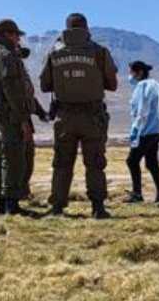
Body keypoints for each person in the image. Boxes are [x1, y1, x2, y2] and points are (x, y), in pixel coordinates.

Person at [40, 13, 119, 219]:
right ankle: (98, 207)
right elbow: (113, 84)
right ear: (86, 28)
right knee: (95, 162)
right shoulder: (99, 51)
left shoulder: (54, 53)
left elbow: (44, 84)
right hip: (92, 116)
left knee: (62, 163)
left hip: (64, 117)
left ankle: (57, 207)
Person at [0, 18, 35, 215]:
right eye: (16, 35)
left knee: (2, 157)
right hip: (10, 115)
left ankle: (2, 203)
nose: (18, 39)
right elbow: (12, 89)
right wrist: (22, 119)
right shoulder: (4, 55)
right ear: (8, 35)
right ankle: (12, 205)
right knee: (14, 159)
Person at [0, 46, 49, 203]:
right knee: (10, 158)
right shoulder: (2, 70)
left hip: (19, 117)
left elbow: (27, 96)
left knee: (24, 158)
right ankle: (7, 196)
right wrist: (23, 119)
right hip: (11, 119)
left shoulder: (20, 72)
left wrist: (41, 112)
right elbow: (15, 96)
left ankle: (19, 192)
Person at [124, 61, 159, 207]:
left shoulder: (142, 86)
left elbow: (141, 111)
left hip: (145, 131)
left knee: (132, 161)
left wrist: (136, 131)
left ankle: (137, 194)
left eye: (132, 72)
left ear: (139, 72)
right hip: (155, 130)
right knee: (151, 163)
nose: (130, 76)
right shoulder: (155, 85)